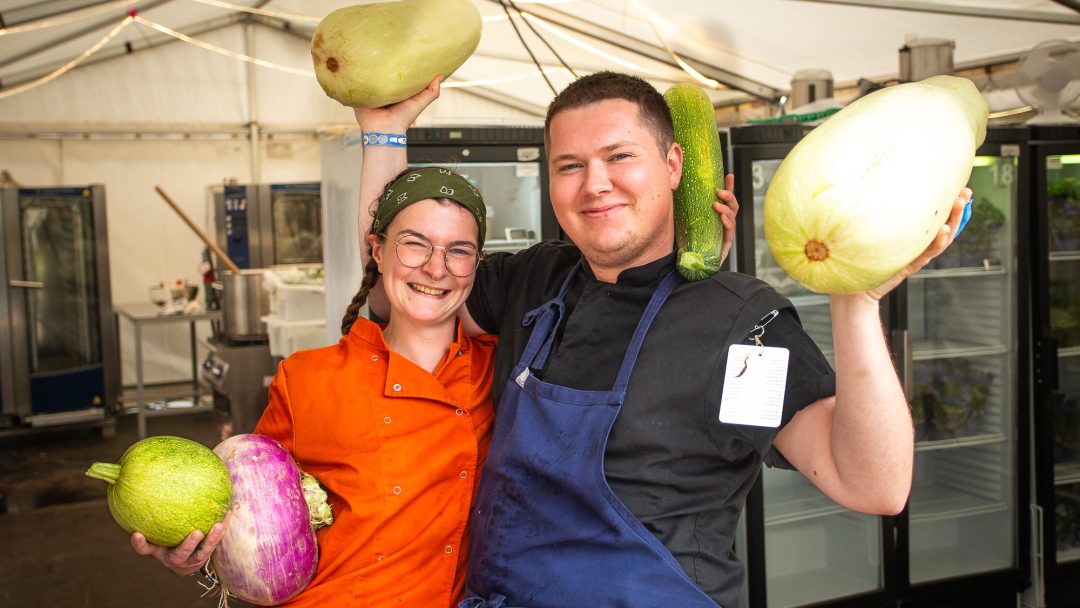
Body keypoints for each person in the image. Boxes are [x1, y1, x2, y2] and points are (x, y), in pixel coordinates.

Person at [357, 71, 972, 608]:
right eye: (569, 165)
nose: (594, 183)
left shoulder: (740, 323)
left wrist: (857, 302)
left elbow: (873, 485)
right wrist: (383, 135)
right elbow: (393, 290)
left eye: (620, 157)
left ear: (675, 165)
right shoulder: (535, 277)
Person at [131, 165, 498, 607]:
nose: (436, 268)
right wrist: (193, 550)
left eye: (458, 251)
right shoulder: (307, 377)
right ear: (377, 252)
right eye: (414, 244)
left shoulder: (503, 370)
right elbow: (244, 509)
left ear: (477, 265)